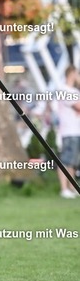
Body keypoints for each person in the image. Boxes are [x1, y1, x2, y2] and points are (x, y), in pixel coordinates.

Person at [56, 64, 80, 198]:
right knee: (65, 160)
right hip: (68, 131)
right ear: (72, 74)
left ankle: (72, 187)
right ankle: (64, 188)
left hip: (76, 130)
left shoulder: (74, 91)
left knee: (73, 162)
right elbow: (78, 106)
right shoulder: (64, 90)